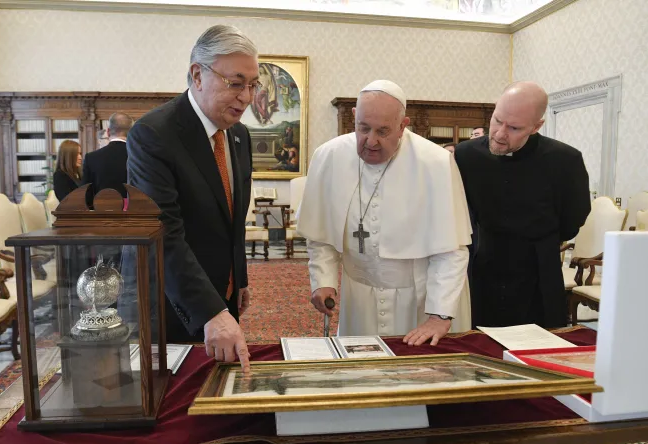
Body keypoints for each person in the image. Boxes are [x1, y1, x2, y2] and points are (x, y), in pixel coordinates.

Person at [296, 80, 473, 346]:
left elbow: (452, 250)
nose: (371, 141)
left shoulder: (436, 162)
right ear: (354, 117)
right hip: (359, 300)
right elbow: (321, 236)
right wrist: (323, 280)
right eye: (363, 128)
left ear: (403, 125)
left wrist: (440, 313)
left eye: (383, 131)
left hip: (421, 300)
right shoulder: (328, 156)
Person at [127, 25, 260, 371]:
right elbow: (164, 235)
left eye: (253, 84)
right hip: (174, 305)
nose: (246, 97)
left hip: (222, 298)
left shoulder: (239, 136)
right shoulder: (153, 135)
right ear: (197, 75)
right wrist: (211, 311)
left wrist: (238, 278)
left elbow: (231, 220)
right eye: (236, 83)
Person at [454, 81, 591, 328]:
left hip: (538, 272)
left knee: (540, 348)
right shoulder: (466, 154)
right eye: (497, 120)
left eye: (514, 128)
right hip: (481, 268)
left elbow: (573, 218)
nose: (499, 133)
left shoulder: (565, 160)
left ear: (536, 126)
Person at [82, 112, 134, 199]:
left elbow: (85, 194)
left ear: (108, 131)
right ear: (131, 132)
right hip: (134, 211)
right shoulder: (140, 157)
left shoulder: (91, 158)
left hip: (101, 211)